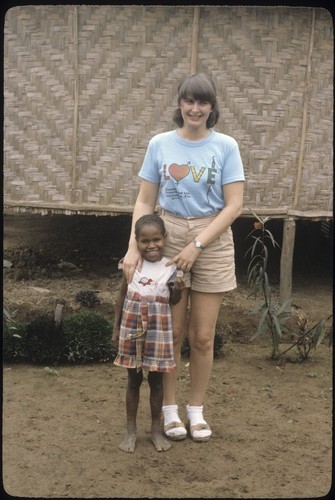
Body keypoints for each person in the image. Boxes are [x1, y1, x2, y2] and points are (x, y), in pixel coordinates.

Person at [120, 72, 245, 443]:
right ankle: (170, 411)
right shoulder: (160, 144)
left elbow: (235, 204)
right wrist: (132, 247)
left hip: (213, 239)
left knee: (202, 336)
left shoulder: (226, 146)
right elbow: (145, 200)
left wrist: (199, 244)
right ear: (179, 104)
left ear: (212, 107)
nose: (195, 108)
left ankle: (196, 411)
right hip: (167, 236)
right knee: (169, 334)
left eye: (202, 102)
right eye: (189, 101)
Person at [112, 214, 185, 453]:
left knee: (156, 381)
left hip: (158, 328)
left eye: (156, 239)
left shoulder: (170, 267)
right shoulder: (131, 264)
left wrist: (178, 292)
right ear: (137, 241)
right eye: (145, 241)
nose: (151, 245)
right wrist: (116, 329)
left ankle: (155, 430)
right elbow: (121, 297)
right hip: (132, 325)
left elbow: (172, 301)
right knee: (133, 380)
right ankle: (130, 431)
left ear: (164, 238)